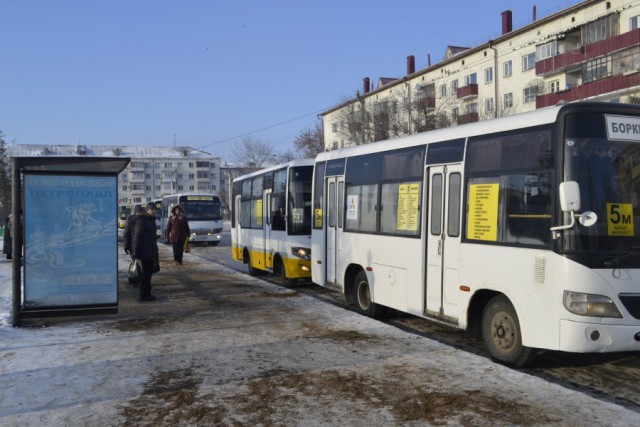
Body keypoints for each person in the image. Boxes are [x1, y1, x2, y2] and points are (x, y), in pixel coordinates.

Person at [131, 202, 160, 302]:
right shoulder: (142, 220)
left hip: (151, 250)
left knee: (149, 273)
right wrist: (136, 253)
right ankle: (144, 295)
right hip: (144, 251)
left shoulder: (152, 220)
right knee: (145, 274)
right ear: (148, 210)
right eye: (152, 209)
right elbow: (137, 237)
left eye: (155, 209)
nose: (154, 211)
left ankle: (147, 293)